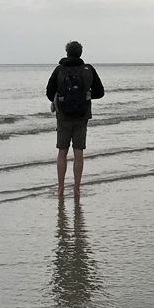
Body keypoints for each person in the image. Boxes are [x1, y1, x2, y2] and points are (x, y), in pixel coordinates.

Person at [45, 40, 105, 198]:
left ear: (67, 52)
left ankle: (60, 188)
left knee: (62, 152)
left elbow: (49, 92)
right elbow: (100, 92)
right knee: (79, 153)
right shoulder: (88, 69)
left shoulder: (59, 70)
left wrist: (60, 99)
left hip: (63, 117)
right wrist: (87, 94)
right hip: (82, 116)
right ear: (80, 53)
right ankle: (77, 189)